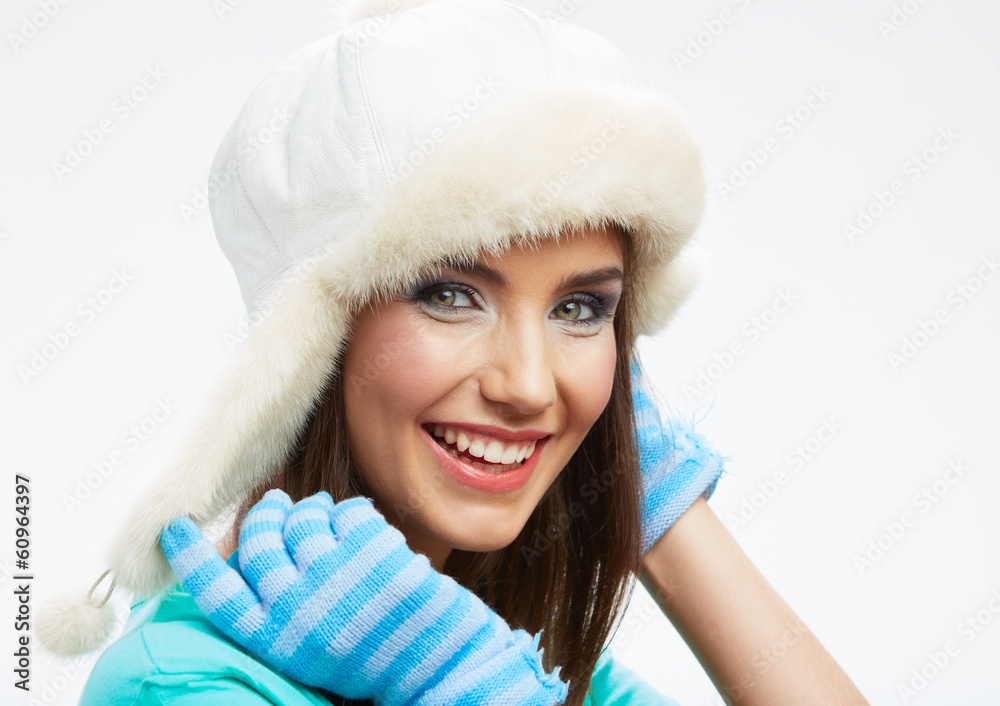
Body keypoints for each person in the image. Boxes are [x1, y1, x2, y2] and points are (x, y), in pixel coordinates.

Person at [38, 1, 869, 703]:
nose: (530, 384)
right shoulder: (184, 685)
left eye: (581, 309)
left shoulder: (467, 643)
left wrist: (653, 496)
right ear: (307, 343)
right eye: (448, 295)